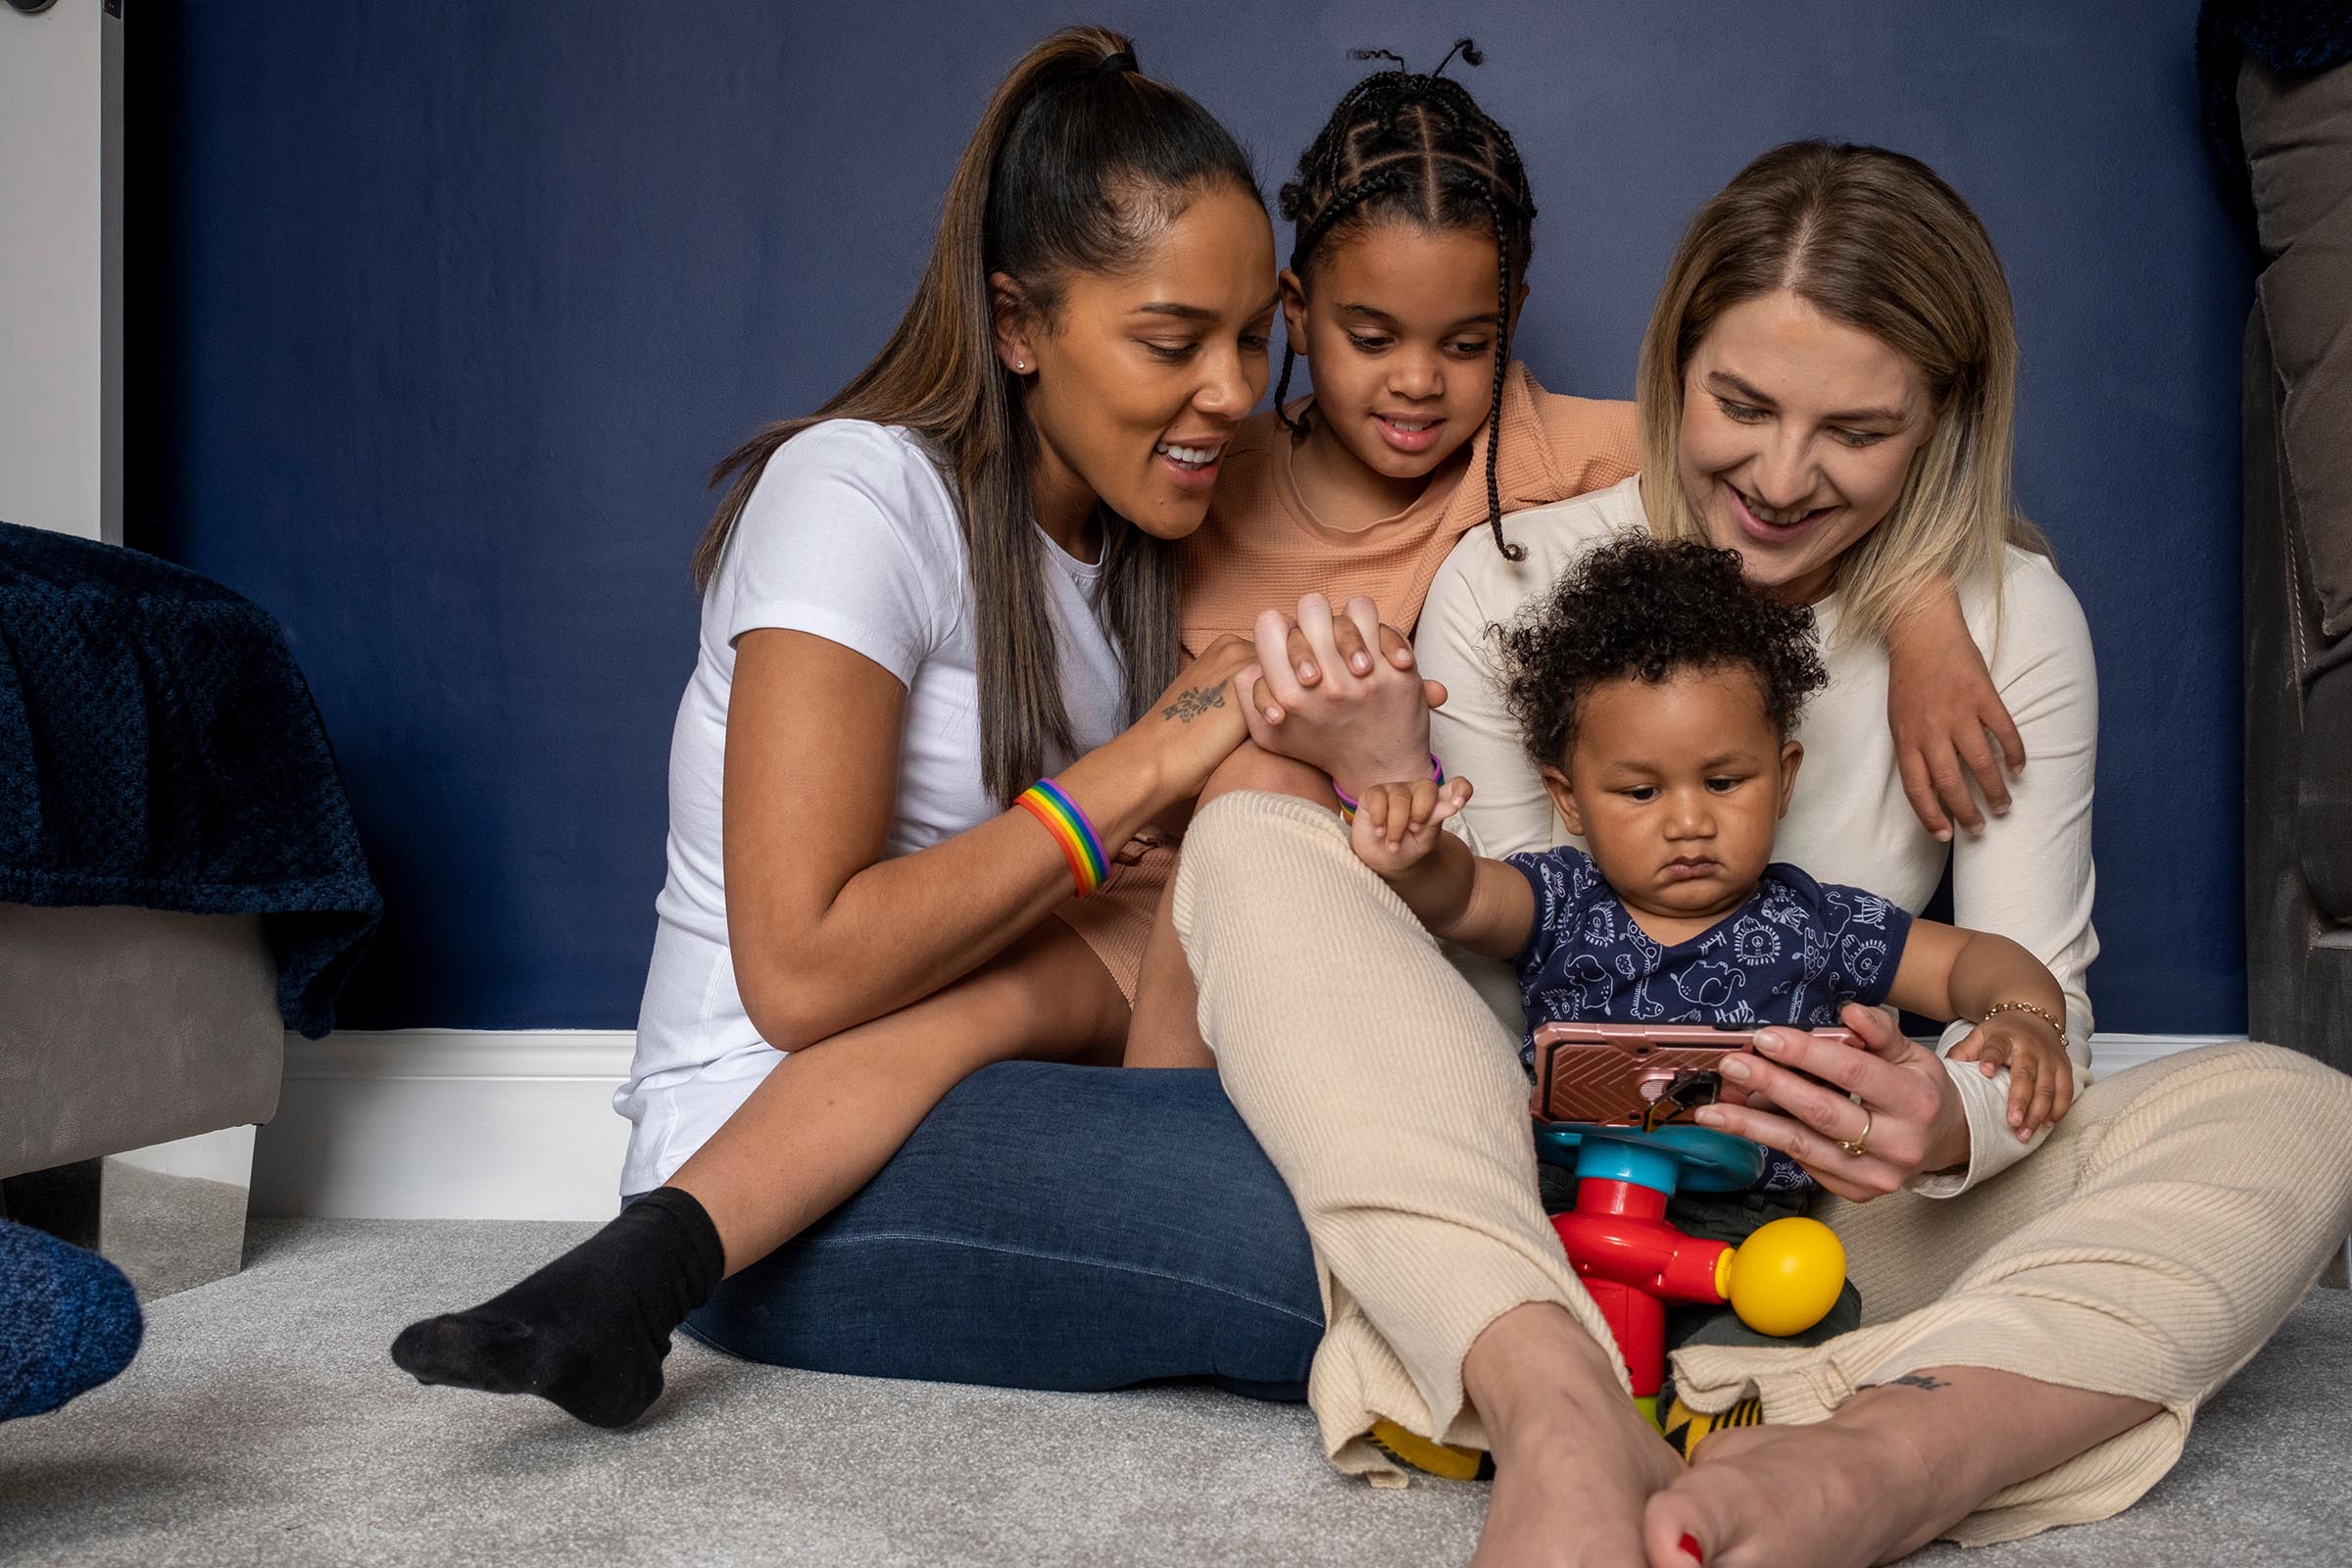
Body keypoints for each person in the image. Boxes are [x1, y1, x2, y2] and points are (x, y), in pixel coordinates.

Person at [1172, 139, 2352, 1566]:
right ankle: (1558, 1407)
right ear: (1673, 369)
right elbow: (1481, 978)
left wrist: (1956, 1111)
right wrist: (1398, 832)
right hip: (1528, 1197)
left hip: (1822, 1209)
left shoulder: (2010, 622)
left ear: (1945, 420)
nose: (1782, 479)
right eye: (1740, 405)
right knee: (1251, 838)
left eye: (1857, 432)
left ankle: (1877, 1453)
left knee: (2298, 1110)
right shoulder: (1519, 580)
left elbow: (2038, 997)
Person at [390, 25, 1283, 1427]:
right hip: (769, 1175)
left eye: (1253, 338)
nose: (1231, 391)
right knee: (1350, 1249)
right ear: (1019, 324)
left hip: (981, 1094)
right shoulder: (855, 495)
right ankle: (637, 1280)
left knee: (1365, 1155)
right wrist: (1145, 764)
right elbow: (800, 974)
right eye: (1175, 340)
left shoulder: (1123, 573)